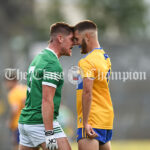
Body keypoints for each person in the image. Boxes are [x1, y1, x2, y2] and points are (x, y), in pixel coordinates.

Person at [18, 22, 74, 150]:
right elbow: (46, 100)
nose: (74, 44)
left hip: (26, 121)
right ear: (60, 38)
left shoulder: (39, 57)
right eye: (72, 39)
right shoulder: (52, 64)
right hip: (40, 123)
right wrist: (49, 134)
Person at [74, 20, 114, 150]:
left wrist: (85, 122)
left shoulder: (86, 61)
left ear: (87, 37)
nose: (77, 44)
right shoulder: (105, 58)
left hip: (91, 121)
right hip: (106, 120)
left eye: (78, 39)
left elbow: (87, 92)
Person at [5, 71, 27, 150]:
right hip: (31, 124)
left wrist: (9, 121)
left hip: (18, 125)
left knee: (17, 147)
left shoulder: (13, 93)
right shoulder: (25, 89)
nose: (6, 84)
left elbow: (14, 109)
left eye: (7, 82)